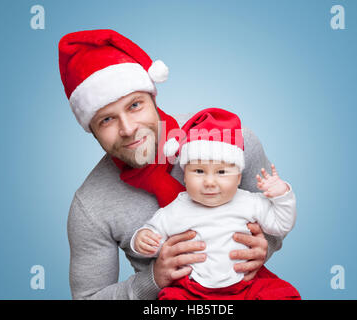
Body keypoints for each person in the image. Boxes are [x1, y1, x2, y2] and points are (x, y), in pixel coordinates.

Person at [59, 29, 284, 300]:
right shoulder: (91, 207)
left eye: (135, 105)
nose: (128, 129)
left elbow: (276, 215)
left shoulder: (231, 142)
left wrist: (265, 245)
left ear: (153, 99)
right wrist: (153, 280)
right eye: (106, 120)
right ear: (91, 131)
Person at [132, 108, 300, 300]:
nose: (210, 182)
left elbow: (281, 225)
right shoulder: (177, 209)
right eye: (199, 171)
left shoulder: (249, 202)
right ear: (185, 176)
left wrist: (282, 195)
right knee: (170, 299)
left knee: (284, 294)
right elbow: (154, 238)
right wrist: (142, 240)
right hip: (192, 289)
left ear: (238, 177)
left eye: (221, 172)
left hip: (246, 284)